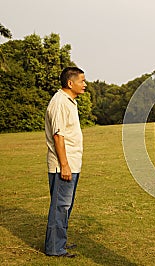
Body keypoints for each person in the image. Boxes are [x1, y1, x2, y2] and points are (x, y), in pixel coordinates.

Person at [44, 66, 87, 258]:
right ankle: (55, 247)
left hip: (71, 162)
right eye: (82, 81)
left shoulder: (69, 101)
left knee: (65, 205)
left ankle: (60, 242)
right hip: (63, 164)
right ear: (71, 83)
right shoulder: (60, 102)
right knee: (60, 206)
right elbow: (58, 136)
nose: (85, 85)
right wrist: (65, 165)